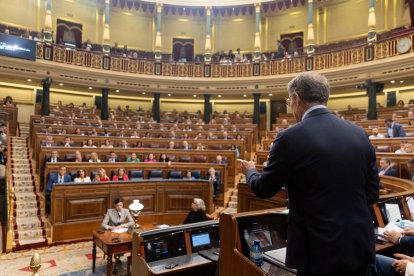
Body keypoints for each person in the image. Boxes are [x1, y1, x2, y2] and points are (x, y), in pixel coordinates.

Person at [238, 72, 379, 276]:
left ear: (296, 98)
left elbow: (264, 189)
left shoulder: (289, 137)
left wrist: (250, 170)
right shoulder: (359, 134)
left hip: (318, 249)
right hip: (358, 243)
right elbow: (372, 194)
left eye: (289, 101)